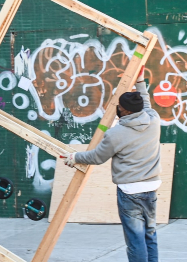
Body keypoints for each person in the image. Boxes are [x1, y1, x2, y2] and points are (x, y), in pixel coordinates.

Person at [62, 68, 160, 262]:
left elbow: (97, 157)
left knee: (135, 239)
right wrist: (140, 81)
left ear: (124, 111)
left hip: (130, 191)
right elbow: (145, 104)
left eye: (120, 106)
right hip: (151, 187)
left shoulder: (116, 134)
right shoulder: (153, 119)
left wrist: (74, 158)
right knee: (150, 234)